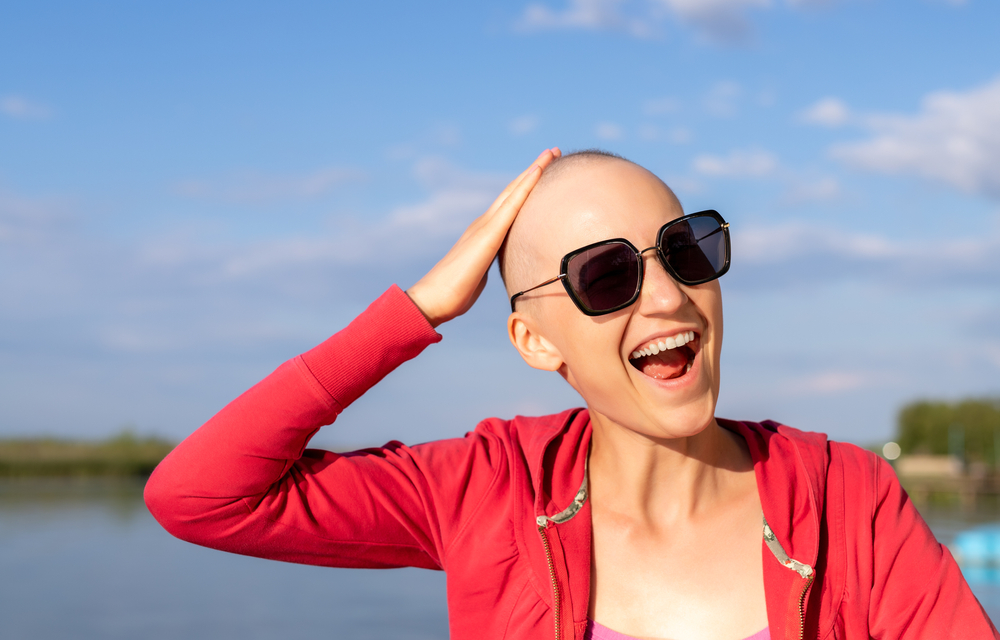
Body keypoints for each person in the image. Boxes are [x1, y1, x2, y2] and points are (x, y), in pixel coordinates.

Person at [145, 148, 997, 640]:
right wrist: (417, 309)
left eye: (686, 250)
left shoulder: (847, 498)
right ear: (534, 338)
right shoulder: (486, 489)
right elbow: (199, 495)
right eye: (607, 275)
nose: (668, 297)